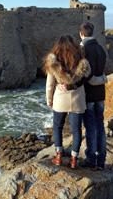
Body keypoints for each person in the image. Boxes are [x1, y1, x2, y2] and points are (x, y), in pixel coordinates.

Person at [44, 35, 91, 169]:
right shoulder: (80, 60)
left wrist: (49, 100)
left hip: (60, 99)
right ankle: (74, 159)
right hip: (78, 99)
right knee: (76, 130)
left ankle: (58, 156)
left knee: (57, 126)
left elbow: (49, 84)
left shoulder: (54, 62)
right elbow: (88, 74)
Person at [79, 22, 107, 170]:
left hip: (88, 94)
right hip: (101, 93)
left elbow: (83, 73)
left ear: (81, 34)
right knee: (100, 127)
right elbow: (101, 70)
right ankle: (101, 161)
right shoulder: (101, 49)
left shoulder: (83, 49)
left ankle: (91, 160)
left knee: (90, 127)